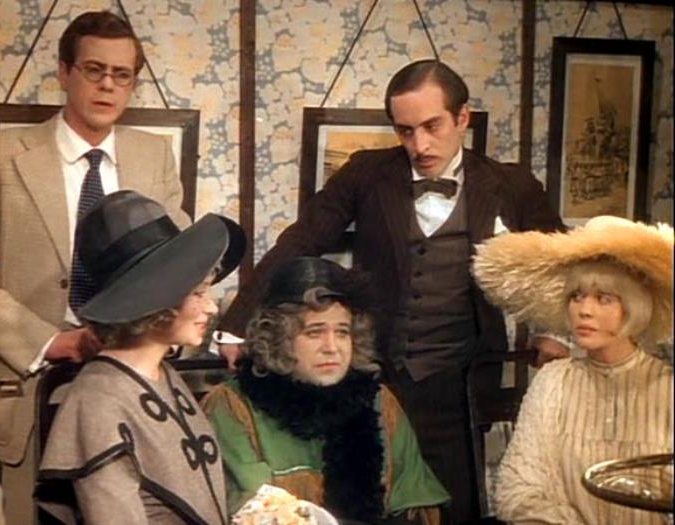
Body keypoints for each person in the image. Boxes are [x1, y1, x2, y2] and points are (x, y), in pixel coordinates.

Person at [215, 59, 565, 523]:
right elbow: (302, 241)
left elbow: (562, 261)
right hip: (374, 380)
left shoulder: (511, 185)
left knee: (455, 509)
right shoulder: (366, 173)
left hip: (460, 383)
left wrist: (554, 330)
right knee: (362, 505)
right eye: (405, 131)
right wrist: (238, 323)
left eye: (432, 126)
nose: (420, 145)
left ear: (462, 117)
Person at [0, 10, 189, 523]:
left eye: (122, 75)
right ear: (64, 71)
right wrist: (52, 341)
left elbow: (180, 264)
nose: (107, 85)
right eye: (94, 70)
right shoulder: (0, 156)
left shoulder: (154, 156)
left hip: (133, 386)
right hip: (34, 388)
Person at [36, 190, 245, 524]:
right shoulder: (98, 402)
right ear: (156, 302)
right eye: (198, 294)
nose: (210, 307)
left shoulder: (162, 374)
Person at [202, 257, 449, 524]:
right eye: (314, 332)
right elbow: (251, 511)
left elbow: (415, 506)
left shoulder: (379, 402)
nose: (332, 348)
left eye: (342, 332)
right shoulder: (232, 406)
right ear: (277, 338)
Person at [472, 215, 673, 524]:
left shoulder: (667, 389)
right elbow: (518, 487)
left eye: (604, 299)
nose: (585, 310)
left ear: (634, 306)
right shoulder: (553, 382)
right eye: (576, 297)